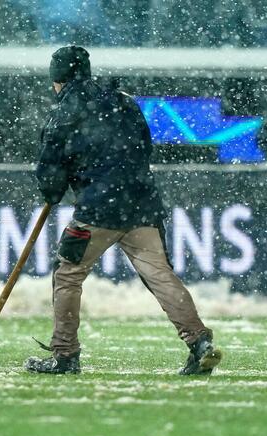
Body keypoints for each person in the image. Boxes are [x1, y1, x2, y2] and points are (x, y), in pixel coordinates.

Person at [25, 45, 222, 376]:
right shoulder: (123, 101)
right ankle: (199, 342)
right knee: (159, 274)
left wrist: (55, 189)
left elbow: (50, 174)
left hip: (98, 209)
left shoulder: (62, 115)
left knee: (68, 274)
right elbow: (144, 146)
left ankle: (64, 355)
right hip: (142, 201)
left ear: (58, 80)